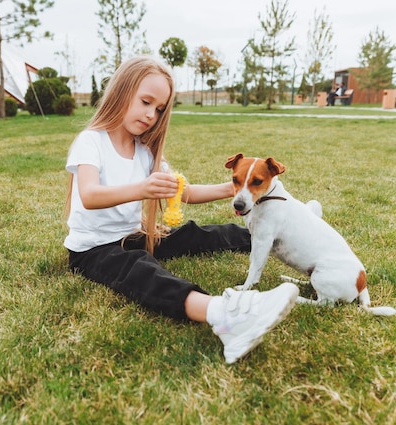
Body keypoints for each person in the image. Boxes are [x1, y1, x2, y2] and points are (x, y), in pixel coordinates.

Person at [63, 56, 298, 364]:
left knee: (194, 234)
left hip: (136, 235)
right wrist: (142, 189)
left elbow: (184, 192)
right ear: (122, 91)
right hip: (93, 250)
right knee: (140, 270)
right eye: (146, 102)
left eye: (159, 109)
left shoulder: (145, 152)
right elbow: (90, 194)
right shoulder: (91, 141)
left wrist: (232, 189)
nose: (151, 115)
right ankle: (225, 315)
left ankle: (278, 236)